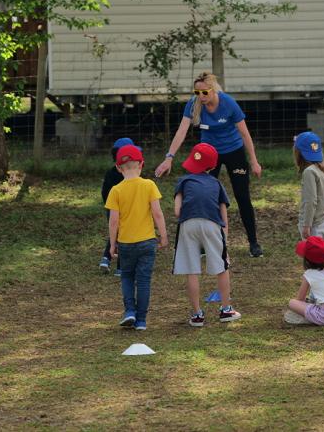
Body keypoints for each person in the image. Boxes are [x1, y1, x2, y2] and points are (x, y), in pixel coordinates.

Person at [154, 71, 265, 258]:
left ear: (214, 90)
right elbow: (181, 132)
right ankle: (207, 243)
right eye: (197, 93)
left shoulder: (228, 103)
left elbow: (245, 134)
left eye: (205, 93)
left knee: (242, 195)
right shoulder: (194, 104)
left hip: (233, 152)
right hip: (208, 154)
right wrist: (169, 157)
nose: (201, 97)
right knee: (205, 196)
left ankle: (253, 243)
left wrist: (254, 161)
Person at [173, 143, 242, 327]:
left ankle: (197, 315)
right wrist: (224, 240)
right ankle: (226, 309)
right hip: (212, 224)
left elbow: (177, 211)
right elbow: (223, 215)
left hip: (188, 224)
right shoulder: (217, 184)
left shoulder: (183, 181)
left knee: (192, 270)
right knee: (221, 266)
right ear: (212, 166)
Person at [105, 145, 168, 331]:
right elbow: (157, 213)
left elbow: (113, 221)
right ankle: (141, 320)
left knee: (126, 277)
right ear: (141, 164)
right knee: (143, 280)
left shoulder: (115, 190)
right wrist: (163, 236)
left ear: (118, 168)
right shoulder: (149, 185)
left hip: (126, 243)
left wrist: (112, 244)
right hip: (148, 242)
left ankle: (129, 311)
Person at [99, 137, 137, 274]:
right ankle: (120, 267)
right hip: (127, 210)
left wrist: (109, 206)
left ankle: (105, 258)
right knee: (124, 236)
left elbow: (104, 192)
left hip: (112, 208)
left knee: (114, 233)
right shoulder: (132, 174)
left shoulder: (110, 173)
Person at [294, 131, 324, 240]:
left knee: (312, 254)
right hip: (321, 221)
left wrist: (307, 225)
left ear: (298, 152)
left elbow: (311, 200)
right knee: (320, 253)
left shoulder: (309, 172)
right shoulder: (320, 170)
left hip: (312, 225)